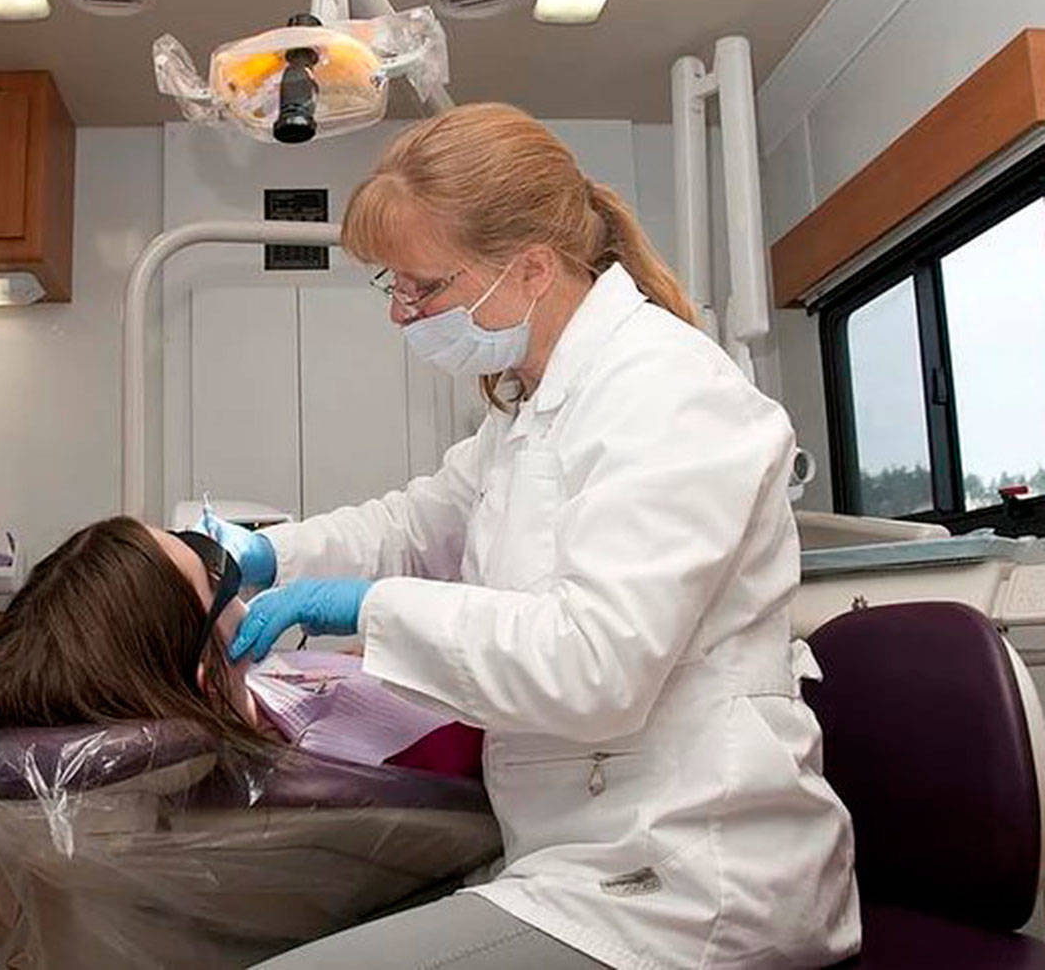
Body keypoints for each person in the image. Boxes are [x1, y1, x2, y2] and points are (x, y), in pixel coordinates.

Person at [209, 103, 861, 968]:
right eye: (391, 286)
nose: (402, 314)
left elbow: (597, 662)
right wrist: (265, 555)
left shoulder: (670, 393)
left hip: (692, 879)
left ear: (530, 269)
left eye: (425, 286)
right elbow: (416, 525)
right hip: (579, 849)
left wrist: (366, 607)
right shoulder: (529, 408)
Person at [0, 516, 483, 778]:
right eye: (218, 578)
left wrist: (352, 663)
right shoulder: (393, 752)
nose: (233, 582)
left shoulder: (250, 690)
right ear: (209, 682)